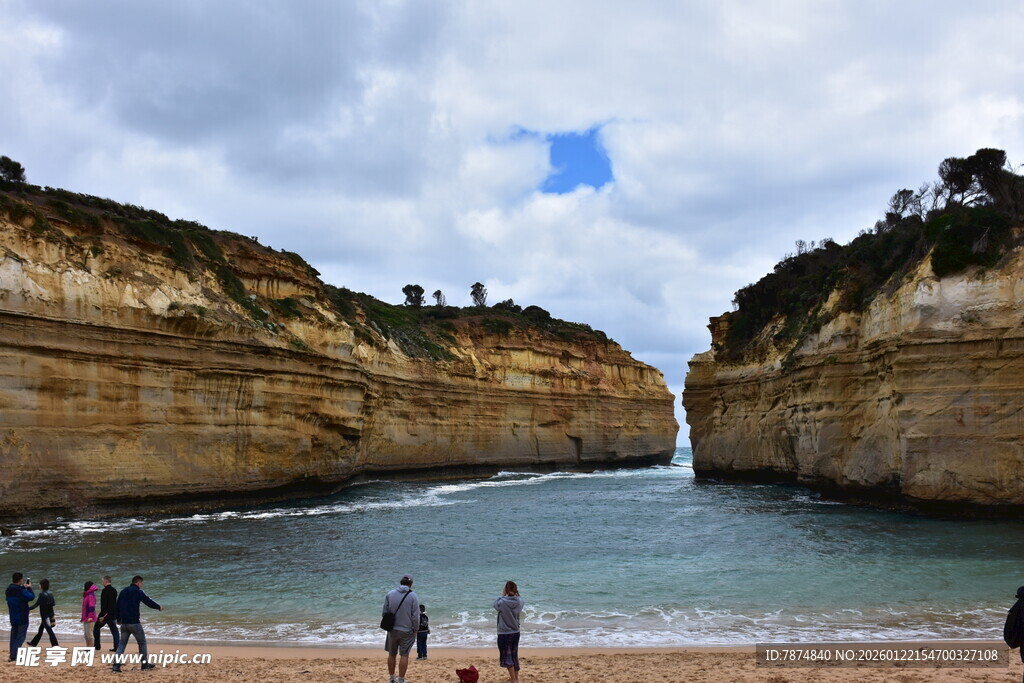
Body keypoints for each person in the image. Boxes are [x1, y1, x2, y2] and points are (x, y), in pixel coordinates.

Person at [112, 575, 163, 673]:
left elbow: (117, 605)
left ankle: (116, 666)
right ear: (138, 582)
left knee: (121, 644)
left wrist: (118, 619)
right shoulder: (138, 592)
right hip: (134, 623)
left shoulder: (123, 591)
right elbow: (148, 601)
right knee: (142, 642)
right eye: (141, 583)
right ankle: (144, 664)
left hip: (124, 623)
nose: (141, 585)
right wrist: (158, 607)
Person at [382, 574, 419, 683]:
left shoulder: (390, 594)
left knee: (392, 654)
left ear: (400, 582)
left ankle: (392, 678)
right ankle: (401, 680)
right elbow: (415, 616)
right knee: (404, 655)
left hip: (392, 629)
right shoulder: (413, 596)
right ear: (411, 584)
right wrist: (415, 629)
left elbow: (384, 613)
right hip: (407, 630)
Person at [493, 580, 524, 683]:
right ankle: (516, 678)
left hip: (504, 633)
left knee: (507, 657)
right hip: (516, 632)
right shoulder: (520, 601)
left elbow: (495, 605)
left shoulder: (502, 602)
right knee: (514, 655)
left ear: (506, 590)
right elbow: (520, 600)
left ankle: (514, 680)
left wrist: (502, 595)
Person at [6, 573, 34, 662]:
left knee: (14, 637)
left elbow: (17, 596)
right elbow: (31, 597)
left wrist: (23, 588)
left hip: (13, 616)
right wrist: (29, 588)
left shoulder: (8, 590)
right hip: (22, 616)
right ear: (21, 580)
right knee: (20, 637)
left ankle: (12, 654)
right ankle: (13, 656)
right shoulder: (20, 591)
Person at [28, 579, 58, 648]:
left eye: (39, 584)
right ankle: (33, 643)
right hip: (51, 614)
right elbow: (53, 603)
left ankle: (55, 645)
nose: (39, 585)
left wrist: (27, 608)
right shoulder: (51, 593)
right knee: (40, 630)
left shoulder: (42, 594)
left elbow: (36, 604)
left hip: (45, 616)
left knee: (49, 631)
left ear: (42, 586)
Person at [94, 575, 120, 652]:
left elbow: (104, 605)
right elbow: (113, 603)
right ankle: (117, 647)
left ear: (106, 581)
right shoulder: (114, 590)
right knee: (114, 631)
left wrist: (102, 616)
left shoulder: (105, 591)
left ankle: (97, 646)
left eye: (102, 582)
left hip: (106, 614)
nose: (102, 583)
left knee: (96, 628)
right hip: (113, 613)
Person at [81, 580, 98, 648]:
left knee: (89, 634)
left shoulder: (91, 595)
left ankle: (91, 648)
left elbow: (92, 606)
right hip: (85, 617)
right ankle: (88, 647)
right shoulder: (87, 594)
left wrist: (90, 616)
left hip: (90, 617)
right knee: (86, 635)